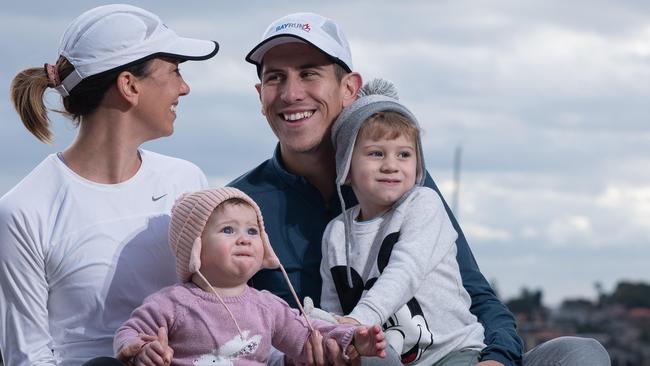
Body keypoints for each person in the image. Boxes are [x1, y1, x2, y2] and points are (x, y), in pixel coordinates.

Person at [231, 12, 610, 366]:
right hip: (362, 358)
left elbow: (475, 293)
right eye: (275, 78)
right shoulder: (238, 207)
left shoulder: (406, 185)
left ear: (349, 88)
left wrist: (497, 358)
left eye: (309, 73)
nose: (291, 93)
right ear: (259, 94)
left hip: (453, 351)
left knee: (580, 353)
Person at [0, 5, 218, 366]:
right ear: (129, 85)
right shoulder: (23, 210)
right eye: (175, 71)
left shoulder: (187, 181)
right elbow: (28, 357)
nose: (185, 87)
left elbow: (222, 310)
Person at [114, 187, 387, 365]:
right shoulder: (173, 302)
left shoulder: (266, 306)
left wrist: (353, 338)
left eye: (252, 231)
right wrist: (141, 350)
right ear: (194, 247)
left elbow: (308, 335)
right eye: (228, 231)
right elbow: (129, 332)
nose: (244, 239)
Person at [317, 79, 485, 365]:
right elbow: (333, 305)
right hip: (386, 354)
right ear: (346, 166)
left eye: (404, 154)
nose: (391, 165)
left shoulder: (423, 204)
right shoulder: (335, 233)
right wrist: (334, 333)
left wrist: (357, 319)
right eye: (376, 153)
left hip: (450, 351)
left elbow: (405, 270)